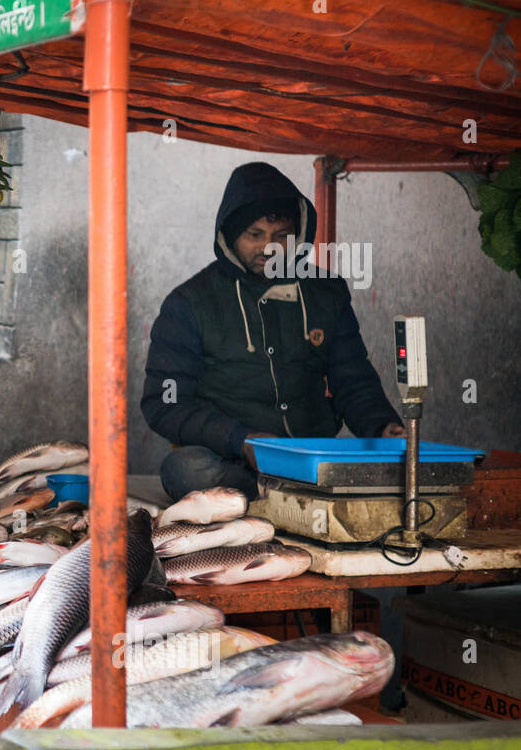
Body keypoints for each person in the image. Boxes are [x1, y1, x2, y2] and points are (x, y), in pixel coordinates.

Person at [141, 161, 404, 502]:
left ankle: (299, 487)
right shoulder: (189, 303)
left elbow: (353, 381)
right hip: (233, 461)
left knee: (391, 459)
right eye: (255, 235)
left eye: (282, 236)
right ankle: (303, 492)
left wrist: (382, 426)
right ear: (229, 235)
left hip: (312, 456)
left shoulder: (326, 292)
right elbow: (164, 402)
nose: (269, 247)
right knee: (186, 470)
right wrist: (242, 439)